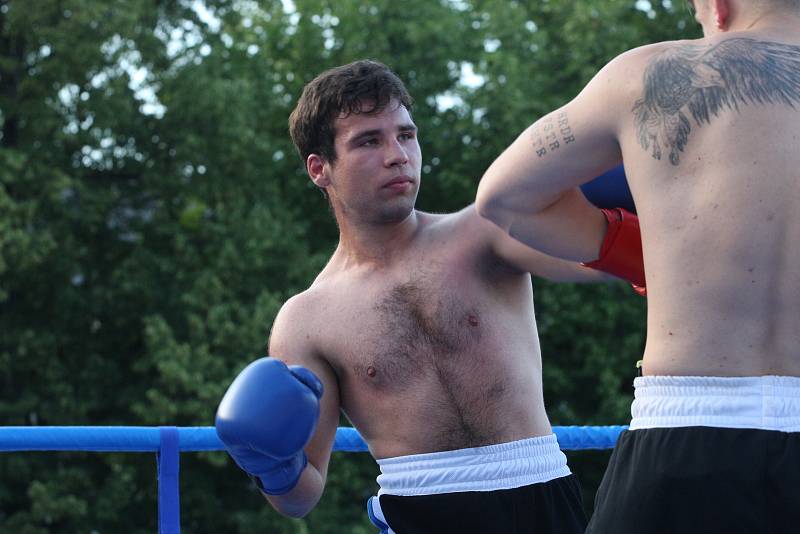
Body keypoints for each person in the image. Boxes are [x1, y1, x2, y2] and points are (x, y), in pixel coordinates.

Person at [214, 60, 643, 534]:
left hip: (539, 498)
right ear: (320, 168)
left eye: (406, 134)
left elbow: (613, 263)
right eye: (369, 140)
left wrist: (638, 224)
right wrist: (273, 468)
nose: (397, 154)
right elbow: (301, 498)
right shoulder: (306, 320)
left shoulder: (486, 231)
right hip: (419, 511)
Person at [475, 1, 800, 532]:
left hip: (683, 441)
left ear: (718, 6)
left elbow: (503, 199)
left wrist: (641, 253)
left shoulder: (647, 76)